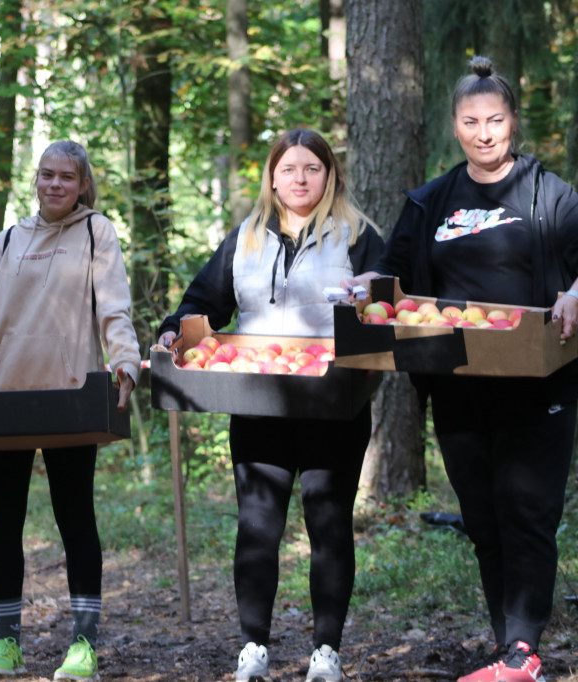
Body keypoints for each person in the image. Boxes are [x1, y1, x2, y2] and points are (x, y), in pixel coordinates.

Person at [345, 56, 578, 682]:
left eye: (495, 120)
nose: (484, 133)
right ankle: (512, 651)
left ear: (512, 122)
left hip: (537, 381)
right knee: (483, 518)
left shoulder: (550, 195)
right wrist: (369, 286)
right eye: (471, 121)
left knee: (528, 512)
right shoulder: (430, 202)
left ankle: (523, 652)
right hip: (456, 383)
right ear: (455, 125)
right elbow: (392, 278)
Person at [157, 129, 385, 682]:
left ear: (329, 175)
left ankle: (325, 652)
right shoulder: (247, 238)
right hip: (257, 400)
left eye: (311, 168)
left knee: (329, 524)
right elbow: (202, 302)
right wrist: (173, 332)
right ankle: (253, 648)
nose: (300, 179)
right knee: (257, 525)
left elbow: (388, 302)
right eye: (289, 169)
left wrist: (371, 296)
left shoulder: (357, 234)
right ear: (273, 176)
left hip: (334, 401)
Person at [0, 140, 141, 680]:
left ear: (83, 184)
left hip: (72, 401)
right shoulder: (9, 240)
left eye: (67, 177)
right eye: (47, 175)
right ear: (36, 179)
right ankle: (6, 643)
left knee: (75, 519)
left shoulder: (97, 232)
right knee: (5, 522)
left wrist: (127, 361)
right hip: (4, 405)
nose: (55, 185)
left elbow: (114, 307)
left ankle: (83, 645)